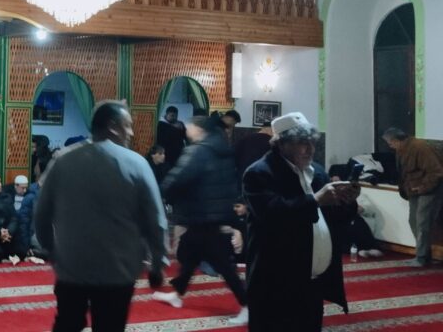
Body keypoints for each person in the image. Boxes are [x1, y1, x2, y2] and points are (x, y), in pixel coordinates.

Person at [34, 102, 167, 332]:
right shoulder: (136, 163)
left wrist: (51, 250)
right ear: (113, 127)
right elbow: (155, 220)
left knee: (67, 324)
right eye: (128, 126)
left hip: (71, 267)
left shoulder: (64, 160)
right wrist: (157, 263)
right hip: (117, 271)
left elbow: (42, 213)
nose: (131, 133)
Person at [243, 112, 359, 331]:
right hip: (275, 282)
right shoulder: (259, 173)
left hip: (312, 281)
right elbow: (273, 214)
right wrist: (315, 200)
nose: (309, 149)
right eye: (302, 143)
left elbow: (334, 219)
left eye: (312, 142)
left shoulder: (317, 173)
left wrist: (346, 202)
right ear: (281, 144)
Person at [152, 115, 248, 324]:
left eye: (190, 126)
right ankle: (177, 293)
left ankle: (247, 304)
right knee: (190, 255)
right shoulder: (222, 149)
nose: (187, 130)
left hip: (203, 215)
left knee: (222, 264)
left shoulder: (198, 151)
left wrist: (162, 192)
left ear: (199, 129)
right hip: (212, 214)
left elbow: (178, 178)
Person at [383, 127, 443, 267]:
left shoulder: (420, 147)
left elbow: (436, 172)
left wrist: (423, 187)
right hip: (414, 191)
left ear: (396, 140)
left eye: (390, 143)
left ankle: (421, 258)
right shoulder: (403, 149)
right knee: (414, 222)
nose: (390, 146)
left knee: (422, 223)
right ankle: (424, 255)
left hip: (429, 190)